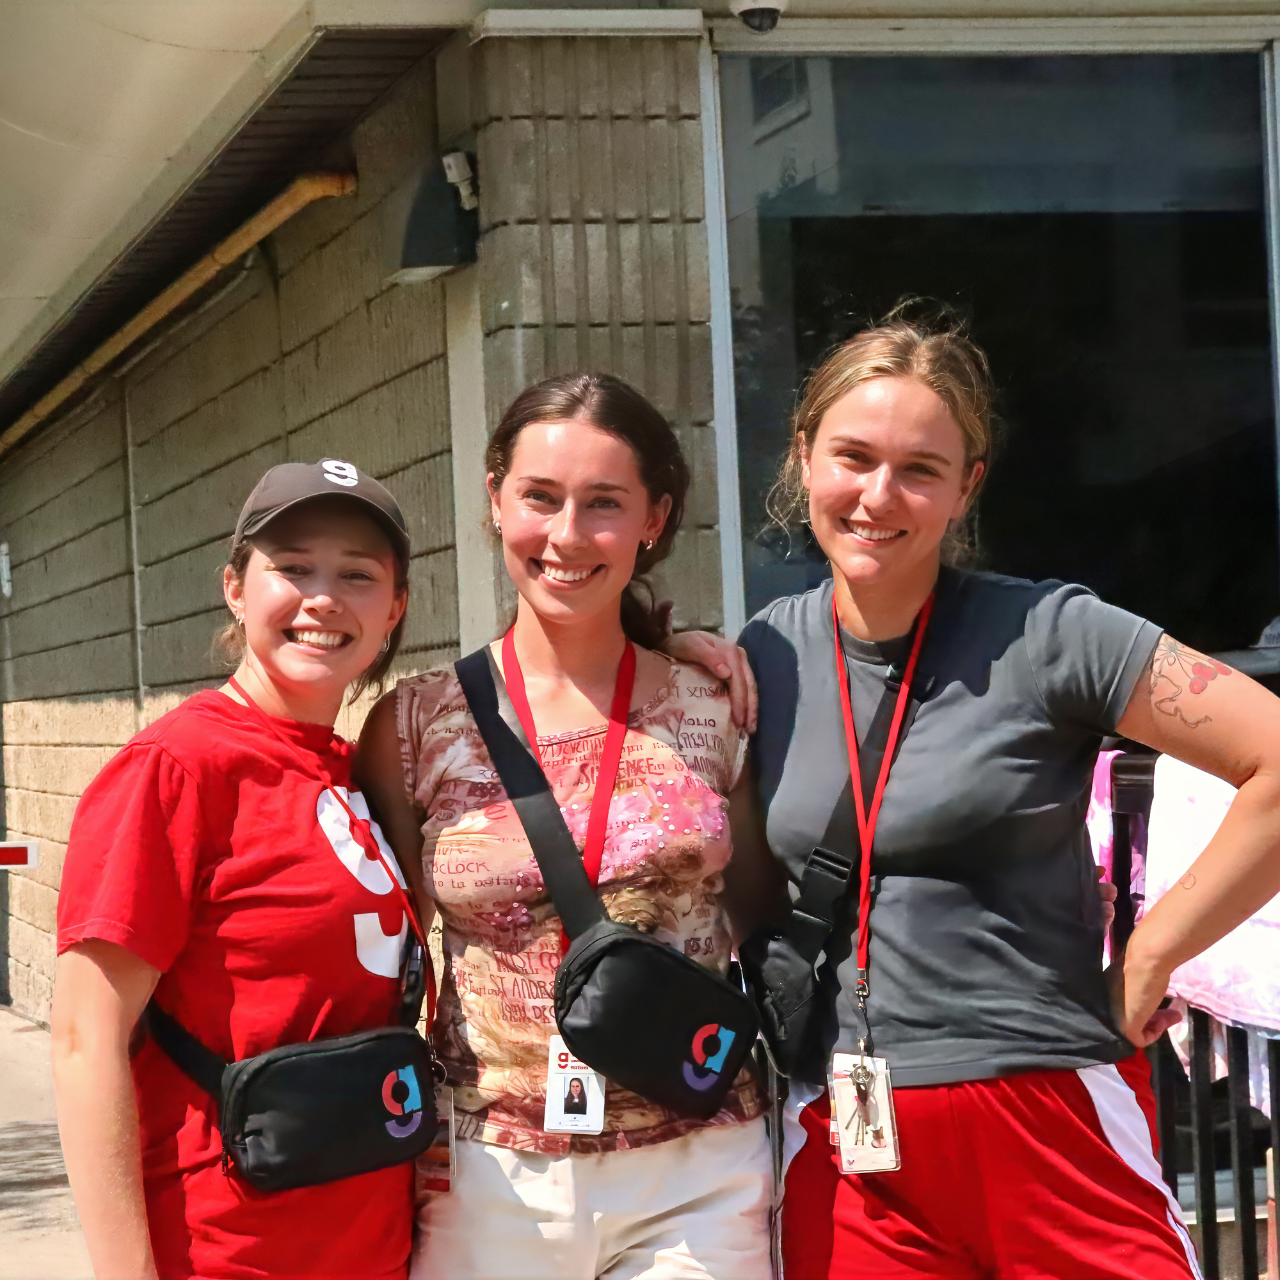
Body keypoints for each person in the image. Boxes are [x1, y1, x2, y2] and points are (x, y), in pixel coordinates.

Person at [669, 306, 1280, 1280]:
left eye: (919, 467)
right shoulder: (756, 659)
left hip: (1044, 1115)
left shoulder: (1048, 633)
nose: (879, 494)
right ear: (802, 456)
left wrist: (1153, 952)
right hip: (844, 1137)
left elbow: (1273, 758)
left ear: (966, 485)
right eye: (853, 456)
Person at [355, 373, 772, 1280]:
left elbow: (764, 921)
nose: (568, 535)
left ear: (655, 519)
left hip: (699, 1163)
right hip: (486, 1171)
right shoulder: (415, 722)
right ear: (495, 501)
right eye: (540, 498)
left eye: (605, 504)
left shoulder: (716, 704)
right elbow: (380, 949)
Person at [51, 460, 417, 1280]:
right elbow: (84, 1038)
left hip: (371, 1245)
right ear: (234, 588)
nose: (323, 597)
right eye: (292, 568)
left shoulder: (348, 770)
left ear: (392, 611)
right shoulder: (176, 768)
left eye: (357, 575)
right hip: (225, 1251)